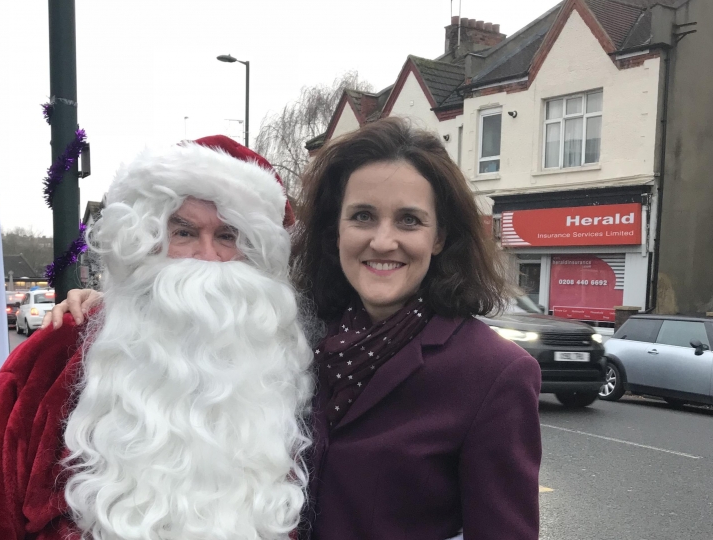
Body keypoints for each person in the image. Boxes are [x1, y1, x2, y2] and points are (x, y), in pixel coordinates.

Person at [50, 118, 542, 540]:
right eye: (363, 216)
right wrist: (112, 301)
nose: (383, 240)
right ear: (336, 231)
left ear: (440, 239)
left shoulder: (492, 373)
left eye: (409, 221)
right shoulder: (292, 339)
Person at [0, 136, 315, 540]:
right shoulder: (54, 356)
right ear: (146, 243)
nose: (206, 256)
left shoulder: (289, 370)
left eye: (228, 236)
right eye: (184, 232)